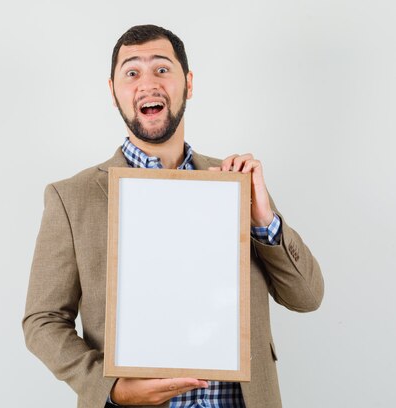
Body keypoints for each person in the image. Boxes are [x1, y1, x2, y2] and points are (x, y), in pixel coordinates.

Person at [22, 24, 324, 408]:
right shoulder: (70, 198)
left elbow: (307, 297)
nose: (148, 82)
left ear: (189, 83)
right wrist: (110, 388)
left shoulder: (236, 185)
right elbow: (42, 320)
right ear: (113, 92)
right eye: (131, 72)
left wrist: (262, 219)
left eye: (162, 69)